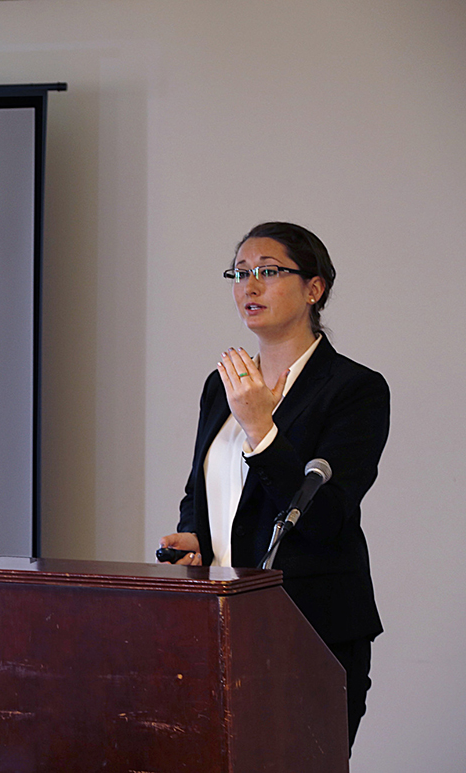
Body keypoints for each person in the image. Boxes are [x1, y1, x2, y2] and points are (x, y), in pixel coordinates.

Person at [158, 221, 389, 751]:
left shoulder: (356, 390)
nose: (249, 285)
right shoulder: (225, 384)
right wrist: (194, 537)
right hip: (218, 623)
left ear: (315, 289)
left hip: (309, 629)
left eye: (268, 271)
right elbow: (203, 490)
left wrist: (262, 427)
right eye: (239, 273)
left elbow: (325, 513)